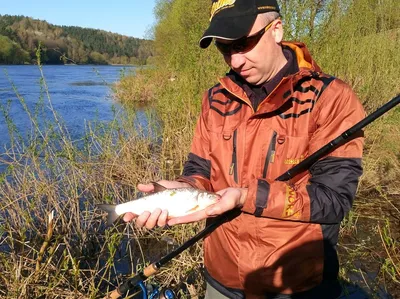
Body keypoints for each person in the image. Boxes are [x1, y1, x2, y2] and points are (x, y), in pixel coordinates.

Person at [124, 0, 366, 298]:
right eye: (224, 49)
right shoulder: (215, 98)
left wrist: (246, 196)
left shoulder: (330, 98)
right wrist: (183, 187)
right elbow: (200, 171)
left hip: (295, 283)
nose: (234, 61)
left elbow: (334, 201)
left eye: (243, 44)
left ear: (276, 30)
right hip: (221, 276)